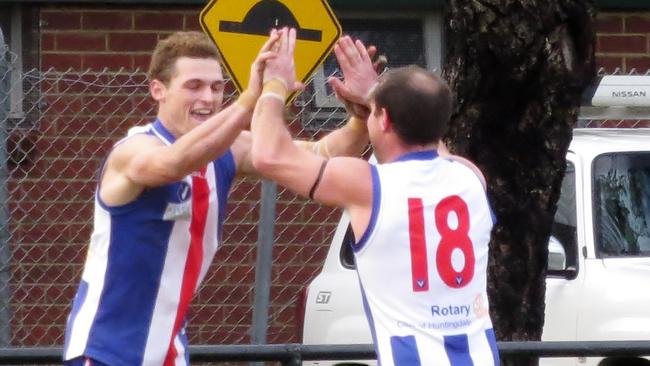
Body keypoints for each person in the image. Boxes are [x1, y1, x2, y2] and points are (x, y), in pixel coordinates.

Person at [63, 30, 375, 366]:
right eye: (193, 86)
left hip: (168, 350)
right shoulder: (134, 150)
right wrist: (254, 97)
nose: (208, 98)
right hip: (106, 350)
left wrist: (360, 117)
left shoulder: (226, 148)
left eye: (216, 87)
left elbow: (321, 154)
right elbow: (173, 164)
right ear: (158, 90)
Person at [251, 28, 500, 366]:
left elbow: (267, 155)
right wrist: (376, 95)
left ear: (382, 119)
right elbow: (428, 138)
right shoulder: (470, 176)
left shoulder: (366, 183)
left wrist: (274, 85)